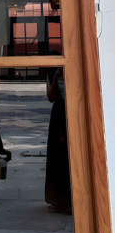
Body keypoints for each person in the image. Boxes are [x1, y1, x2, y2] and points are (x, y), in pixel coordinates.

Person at [44, 66, 72, 214]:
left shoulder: (74, 66)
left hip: (74, 109)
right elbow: (51, 96)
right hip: (59, 112)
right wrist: (56, 76)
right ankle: (59, 199)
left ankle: (72, 198)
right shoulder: (52, 70)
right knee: (58, 155)